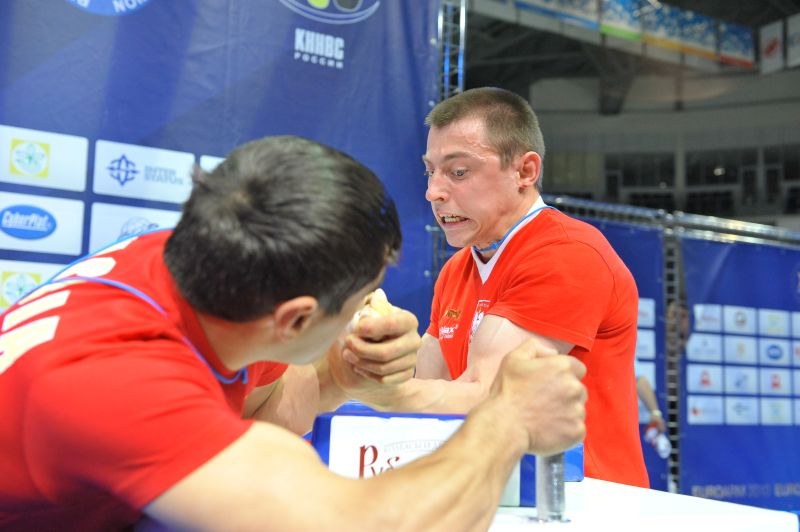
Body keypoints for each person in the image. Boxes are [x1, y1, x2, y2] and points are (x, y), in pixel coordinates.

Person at [0, 135, 587, 530]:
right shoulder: (120, 389)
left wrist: (335, 374)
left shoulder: (199, 270)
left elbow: (256, 411)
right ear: (297, 320)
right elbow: (364, 525)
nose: (372, 313)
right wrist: (507, 420)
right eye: (361, 301)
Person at [341, 87, 648, 488]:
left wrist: (354, 388)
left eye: (458, 171)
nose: (433, 191)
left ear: (525, 171)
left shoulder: (568, 252)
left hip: (588, 501)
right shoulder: (458, 269)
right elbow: (431, 395)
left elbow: (489, 394)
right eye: (429, 170)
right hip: (499, 494)